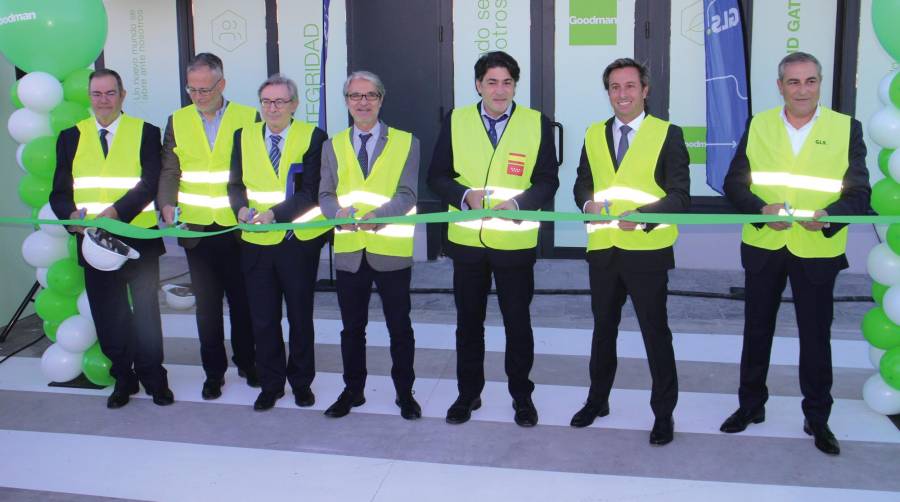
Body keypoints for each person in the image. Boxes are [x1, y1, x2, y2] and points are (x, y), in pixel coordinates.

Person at [720, 52, 870, 456]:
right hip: (765, 246)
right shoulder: (759, 124)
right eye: (793, 82)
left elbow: (859, 195)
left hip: (817, 249)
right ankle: (750, 407)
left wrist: (830, 216)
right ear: (780, 86)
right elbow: (734, 183)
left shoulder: (846, 128)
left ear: (820, 83)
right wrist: (760, 210)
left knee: (816, 337)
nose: (802, 90)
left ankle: (817, 417)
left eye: (810, 81)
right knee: (756, 332)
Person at [427, 51, 559, 427]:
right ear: (478, 85)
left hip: (514, 243)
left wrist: (520, 202)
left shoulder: (536, 123)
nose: (500, 90)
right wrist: (462, 196)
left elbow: (548, 179)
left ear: (515, 85)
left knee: (518, 324)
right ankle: (468, 394)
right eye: (492, 82)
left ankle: (522, 397)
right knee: (469, 323)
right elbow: (436, 176)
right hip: (468, 244)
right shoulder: (457, 120)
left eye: (507, 82)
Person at [571, 58, 690, 446]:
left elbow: (679, 197)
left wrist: (642, 216)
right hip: (604, 249)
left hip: (647, 252)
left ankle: (664, 414)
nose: (622, 95)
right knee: (603, 331)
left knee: (655, 334)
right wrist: (587, 206)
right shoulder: (593, 134)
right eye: (614, 88)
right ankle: (597, 400)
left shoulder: (667, 134)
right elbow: (582, 185)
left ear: (645, 90)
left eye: (629, 87)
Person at [50, 68, 173, 409]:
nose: (103, 101)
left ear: (122, 95)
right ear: (89, 98)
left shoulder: (146, 132)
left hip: (138, 239)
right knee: (109, 313)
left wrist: (118, 212)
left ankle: (154, 378)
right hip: (93, 244)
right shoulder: (70, 136)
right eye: (96, 94)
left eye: (109, 93)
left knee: (147, 312)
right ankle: (124, 378)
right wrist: (70, 217)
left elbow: (150, 183)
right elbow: (59, 192)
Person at [157, 52, 259, 400]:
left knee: (243, 303)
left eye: (205, 89)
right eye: (192, 90)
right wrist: (167, 203)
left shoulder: (249, 117)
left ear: (222, 84)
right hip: (198, 232)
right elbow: (171, 168)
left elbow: (256, 170)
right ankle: (213, 373)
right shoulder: (178, 120)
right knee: (208, 308)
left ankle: (248, 361)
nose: (199, 96)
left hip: (238, 229)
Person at [319, 71, 421, 420]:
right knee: (352, 329)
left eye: (370, 95)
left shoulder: (407, 141)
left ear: (381, 99)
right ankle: (353, 391)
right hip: (349, 252)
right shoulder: (331, 145)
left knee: (400, 328)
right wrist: (336, 213)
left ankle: (405, 394)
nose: (363, 102)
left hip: (389, 252)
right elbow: (325, 194)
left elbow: (407, 195)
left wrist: (381, 215)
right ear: (346, 101)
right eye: (355, 96)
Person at [227, 74, 329, 411]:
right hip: (255, 243)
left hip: (295, 242)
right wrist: (239, 207)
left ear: (294, 105)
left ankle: (301, 383)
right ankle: (271, 384)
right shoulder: (243, 136)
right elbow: (235, 184)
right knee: (263, 318)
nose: (273, 108)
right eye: (267, 101)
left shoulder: (312, 137)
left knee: (300, 317)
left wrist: (275, 214)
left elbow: (311, 191)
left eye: (280, 101)